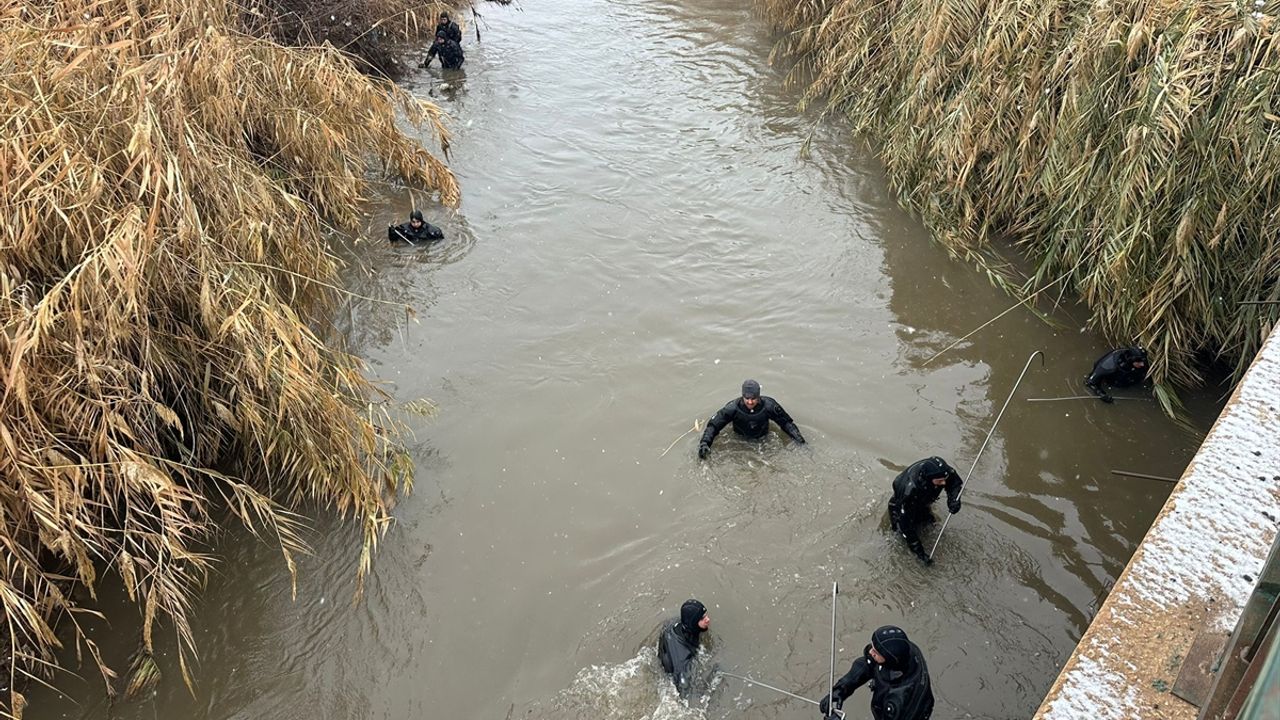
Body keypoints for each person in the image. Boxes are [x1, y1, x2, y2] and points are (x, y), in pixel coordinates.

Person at [819, 625, 934, 720]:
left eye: (875, 651)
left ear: (889, 659)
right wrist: (841, 689)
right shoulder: (905, 650)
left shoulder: (899, 700)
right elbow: (867, 663)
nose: (870, 651)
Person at [698, 379, 805, 458]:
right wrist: (705, 443)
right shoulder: (732, 408)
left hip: (765, 441)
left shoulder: (770, 406)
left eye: (753, 398)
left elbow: (786, 423)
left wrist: (800, 441)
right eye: (747, 398)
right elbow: (714, 426)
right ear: (742, 396)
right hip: (739, 442)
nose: (750, 402)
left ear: (758, 396)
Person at [888, 456, 963, 565]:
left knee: (930, 525)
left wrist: (953, 500)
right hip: (902, 507)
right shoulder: (908, 490)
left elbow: (955, 483)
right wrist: (919, 552)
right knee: (902, 537)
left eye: (944, 480)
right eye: (940, 481)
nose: (943, 483)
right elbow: (906, 525)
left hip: (923, 503)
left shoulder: (945, 471)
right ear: (928, 479)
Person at [657, 599, 710, 698]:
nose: (708, 619)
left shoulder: (673, 624)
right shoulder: (684, 655)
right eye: (702, 618)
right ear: (693, 622)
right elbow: (683, 687)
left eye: (706, 615)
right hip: (673, 674)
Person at [1084, 346, 1149, 403]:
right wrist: (1101, 394)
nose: (1142, 364)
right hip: (1113, 381)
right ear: (1130, 359)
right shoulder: (1108, 365)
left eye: (1143, 361)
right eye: (1139, 362)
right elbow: (1089, 382)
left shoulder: (1141, 360)